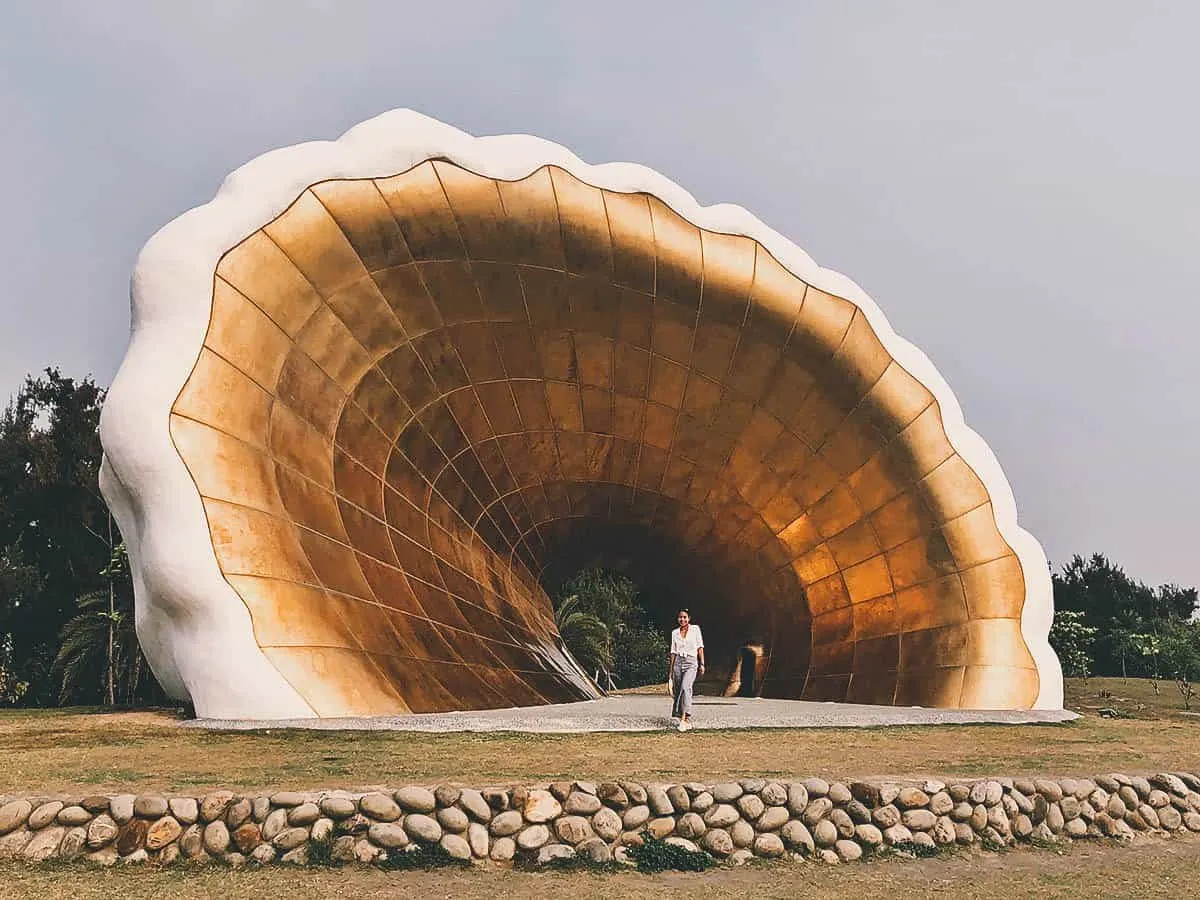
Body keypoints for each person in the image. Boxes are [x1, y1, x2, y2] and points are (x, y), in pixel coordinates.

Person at [668, 608, 704, 732]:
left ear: (689, 618)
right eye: (680, 617)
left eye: (685, 617)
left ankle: (685, 718)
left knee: (685, 687)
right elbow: (673, 652)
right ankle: (681, 716)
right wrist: (671, 671)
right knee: (678, 690)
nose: (682, 619)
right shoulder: (674, 633)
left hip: (691, 662)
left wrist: (702, 663)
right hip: (678, 662)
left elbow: (700, 647)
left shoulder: (695, 629)